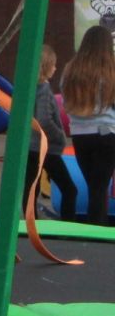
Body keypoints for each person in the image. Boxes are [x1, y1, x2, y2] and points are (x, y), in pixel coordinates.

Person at [61, 25, 115, 225]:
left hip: (80, 135)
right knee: (99, 187)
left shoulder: (71, 70)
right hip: (106, 133)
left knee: (94, 185)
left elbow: (66, 98)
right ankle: (97, 230)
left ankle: (94, 228)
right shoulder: (110, 70)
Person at [29, 44, 73, 221]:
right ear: (46, 67)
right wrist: (60, 137)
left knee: (31, 187)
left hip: (29, 147)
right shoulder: (44, 90)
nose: (56, 68)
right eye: (53, 65)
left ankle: (30, 221)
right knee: (69, 189)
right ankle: (69, 226)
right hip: (46, 148)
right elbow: (44, 120)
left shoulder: (28, 87)